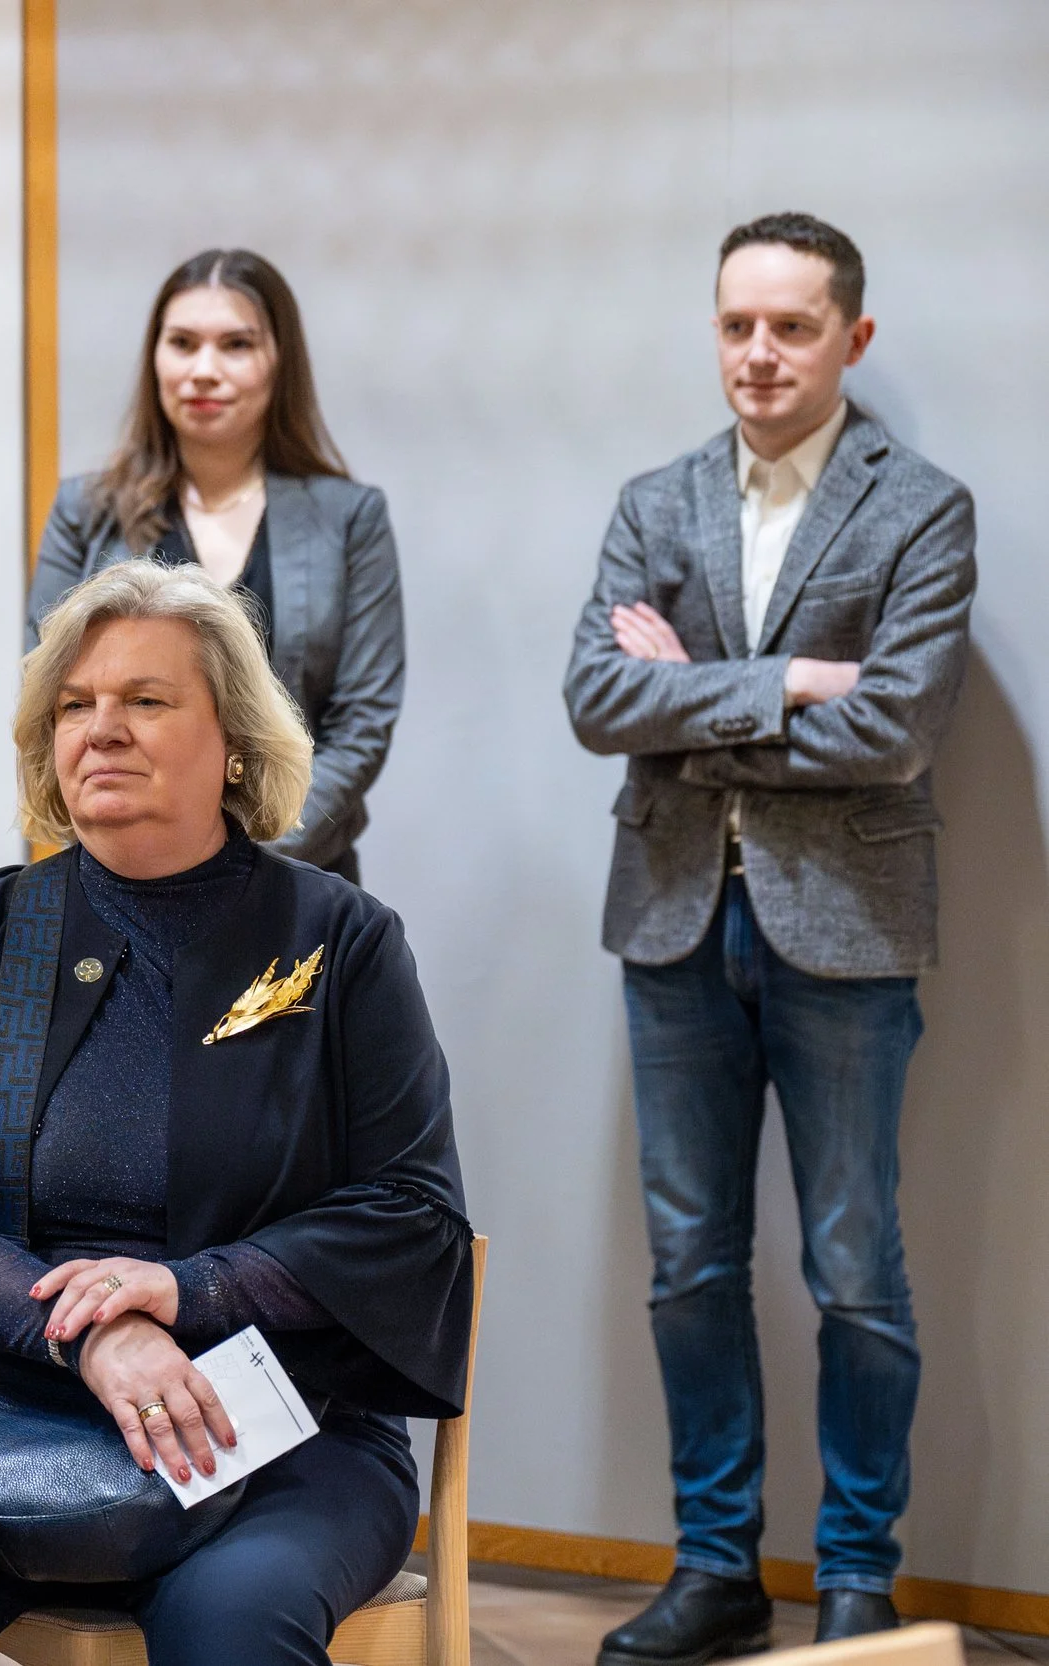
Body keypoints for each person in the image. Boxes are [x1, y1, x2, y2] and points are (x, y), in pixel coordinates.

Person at [0, 562, 473, 1666]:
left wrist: (188, 1289)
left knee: (234, 1630)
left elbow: (411, 1212)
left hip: (283, 1428)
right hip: (18, 1408)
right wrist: (92, 1336)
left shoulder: (341, 938)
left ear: (234, 742)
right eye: (74, 705)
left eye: (144, 700)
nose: (100, 730)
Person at [563, 213, 976, 1658]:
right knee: (691, 1265)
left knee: (857, 1269)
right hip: (674, 926)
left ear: (851, 339)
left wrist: (704, 707)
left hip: (849, 933)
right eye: (737, 322)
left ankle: (858, 1572)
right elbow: (596, 700)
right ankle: (717, 1564)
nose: (758, 352)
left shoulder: (922, 506)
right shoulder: (655, 500)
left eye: (791, 326)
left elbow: (897, 732)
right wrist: (789, 678)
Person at [25, 249, 401, 883]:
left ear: (279, 362)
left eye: (235, 345)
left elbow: (360, 723)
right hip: (122, 874)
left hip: (298, 880)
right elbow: (51, 694)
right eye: (182, 343)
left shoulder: (350, 518)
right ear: (155, 359)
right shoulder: (85, 512)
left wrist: (246, 861)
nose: (204, 370)